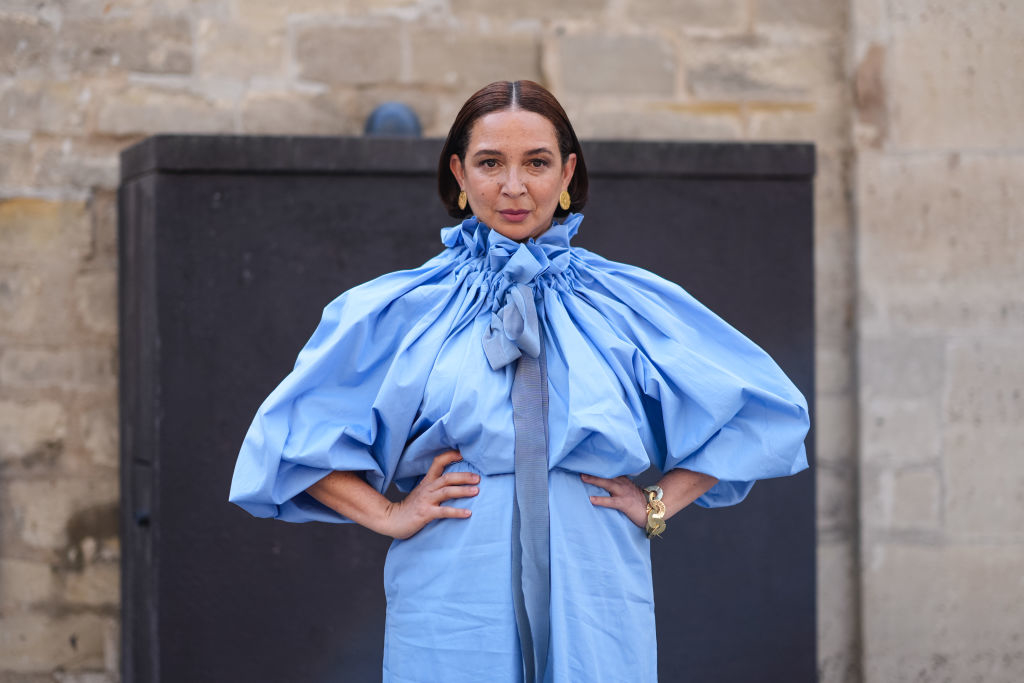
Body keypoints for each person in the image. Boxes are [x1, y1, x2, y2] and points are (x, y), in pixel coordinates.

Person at [229, 80, 810, 682]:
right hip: (453, 591)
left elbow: (762, 410)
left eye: (536, 162)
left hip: (596, 585)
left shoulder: (626, 302)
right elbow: (291, 433)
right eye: (489, 163)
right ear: (458, 172)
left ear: (567, 173)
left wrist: (658, 503)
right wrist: (388, 514)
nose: (513, 186)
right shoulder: (401, 308)